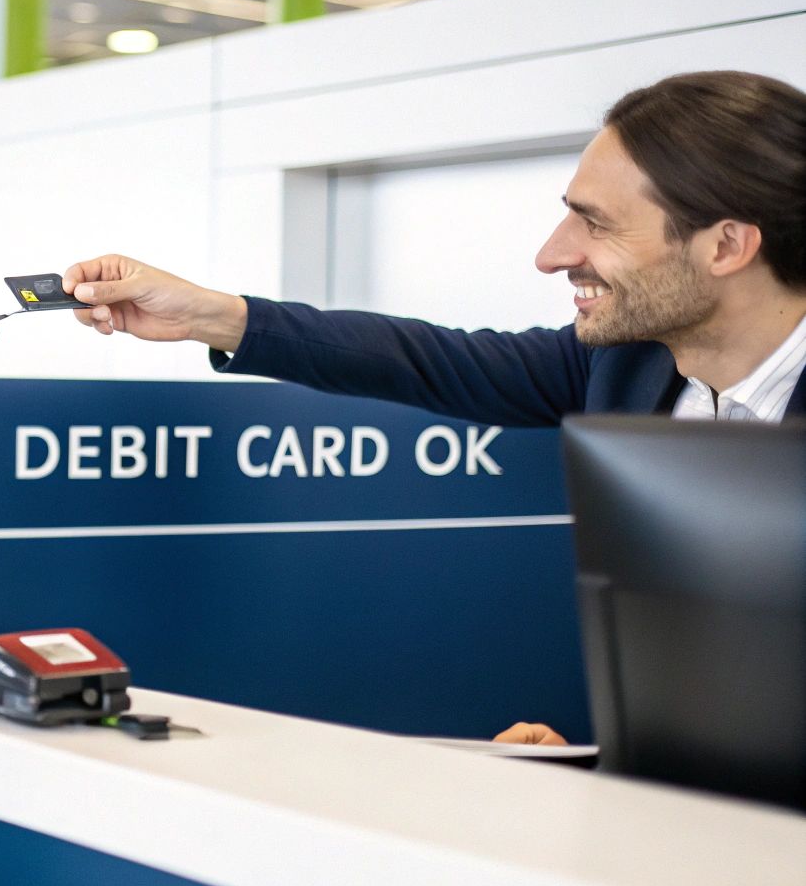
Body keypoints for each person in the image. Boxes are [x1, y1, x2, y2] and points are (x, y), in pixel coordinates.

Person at [58, 70, 806, 746]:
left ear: (727, 245)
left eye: (597, 223)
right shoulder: (627, 364)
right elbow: (427, 359)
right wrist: (210, 316)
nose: (552, 254)